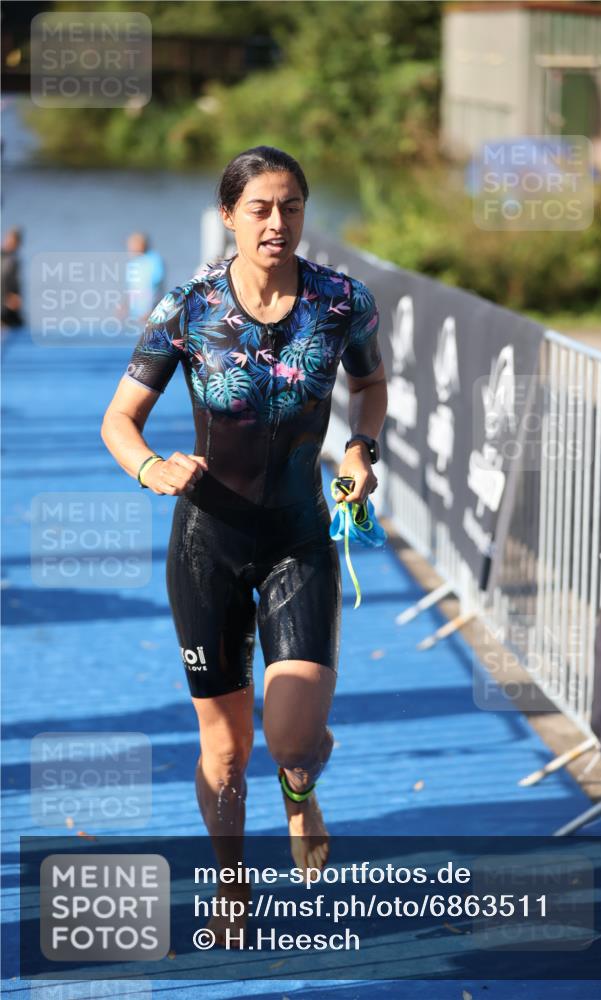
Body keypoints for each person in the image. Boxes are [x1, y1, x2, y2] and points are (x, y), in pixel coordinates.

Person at [101, 146, 387, 945]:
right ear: (228, 215)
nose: (276, 223)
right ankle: (231, 879)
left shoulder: (341, 302)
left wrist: (360, 449)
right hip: (208, 546)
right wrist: (150, 467)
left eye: (290, 206)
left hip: (299, 538)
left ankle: (300, 789)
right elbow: (118, 420)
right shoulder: (187, 308)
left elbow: (370, 385)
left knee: (293, 739)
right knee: (224, 756)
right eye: (259, 208)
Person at [122, 232, 165, 327]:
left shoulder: (155, 260)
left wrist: (152, 311)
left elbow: (158, 288)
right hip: (136, 315)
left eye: (133, 245)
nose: (130, 249)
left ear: (142, 244)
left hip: (152, 314)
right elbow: (133, 289)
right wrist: (125, 306)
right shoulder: (133, 262)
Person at [1, 227, 24, 330]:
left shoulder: (14, 261)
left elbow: (15, 284)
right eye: (8, 240)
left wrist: (15, 297)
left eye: (13, 242)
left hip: (8, 308)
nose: (9, 243)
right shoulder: (6, 260)